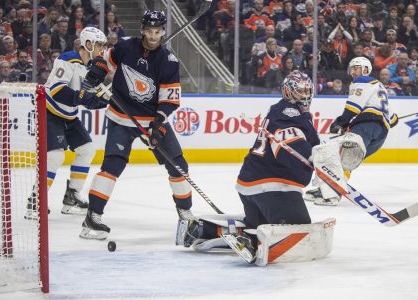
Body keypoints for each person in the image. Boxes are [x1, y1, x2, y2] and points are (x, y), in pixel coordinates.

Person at [177, 71, 320, 261]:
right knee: (300, 230)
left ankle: (202, 229)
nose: (305, 96)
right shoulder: (290, 114)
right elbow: (290, 148)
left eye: (307, 91)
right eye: (300, 91)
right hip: (273, 187)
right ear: (288, 92)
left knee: (258, 224)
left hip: (250, 184)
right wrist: (313, 158)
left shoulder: (281, 110)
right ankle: (252, 241)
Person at [79, 10, 195, 240]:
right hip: (120, 118)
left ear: (163, 31)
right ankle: (92, 218)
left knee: (178, 165)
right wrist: (96, 72)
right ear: (142, 29)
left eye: (158, 31)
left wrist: (157, 123)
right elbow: (105, 62)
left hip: (151, 120)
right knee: (112, 166)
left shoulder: (169, 62)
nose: (153, 36)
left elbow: (169, 99)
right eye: (149, 31)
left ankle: (185, 213)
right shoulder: (125, 47)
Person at [25, 27, 110, 219]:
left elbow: (86, 93)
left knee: (87, 150)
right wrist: (85, 98)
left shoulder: (91, 66)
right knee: (55, 157)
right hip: (49, 112)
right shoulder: (67, 58)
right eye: (98, 45)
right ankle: (35, 201)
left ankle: (72, 197)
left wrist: (98, 100)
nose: (101, 49)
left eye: (103, 45)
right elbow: (56, 90)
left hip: (69, 116)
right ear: (87, 44)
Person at [304, 57, 398, 205]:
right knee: (346, 161)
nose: (353, 71)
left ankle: (331, 194)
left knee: (339, 155)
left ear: (365, 70)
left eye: (356, 68)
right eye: (352, 68)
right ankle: (328, 189)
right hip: (380, 135)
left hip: (366, 126)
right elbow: (393, 120)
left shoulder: (362, 81)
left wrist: (341, 123)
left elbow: (353, 107)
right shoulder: (380, 87)